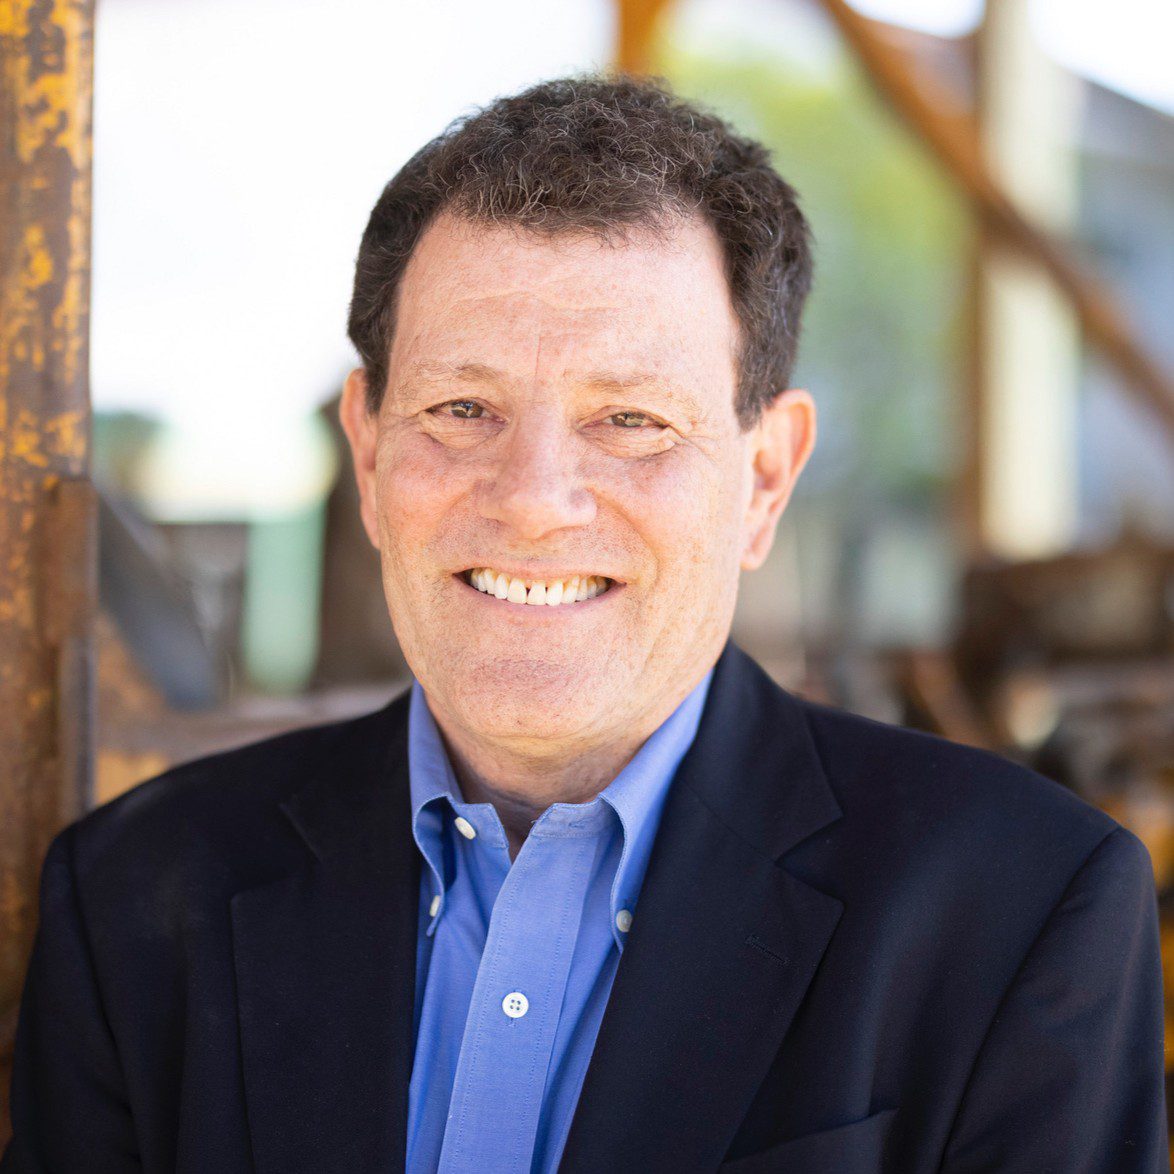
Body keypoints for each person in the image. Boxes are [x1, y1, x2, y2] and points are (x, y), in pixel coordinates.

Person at [1, 76, 1166, 1174]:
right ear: (366, 450)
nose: (533, 501)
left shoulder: (1019, 910)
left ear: (763, 477)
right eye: (462, 409)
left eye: (630, 420)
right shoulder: (137, 899)